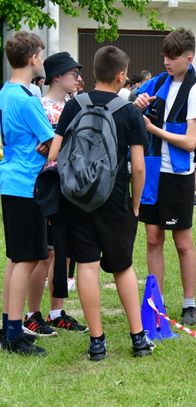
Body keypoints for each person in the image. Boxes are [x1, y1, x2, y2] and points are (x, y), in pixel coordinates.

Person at [47, 45, 153, 361]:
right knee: (122, 267)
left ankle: (97, 341)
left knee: (88, 266)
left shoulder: (73, 105)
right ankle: (137, 338)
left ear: (93, 73)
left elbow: (54, 154)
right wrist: (135, 205)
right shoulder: (130, 112)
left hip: (77, 199)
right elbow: (139, 166)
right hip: (116, 199)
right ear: (122, 75)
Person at [134, 28, 196, 325]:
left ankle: (189, 303)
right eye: (164, 55)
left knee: (182, 241)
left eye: (173, 57)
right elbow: (134, 99)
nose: (167, 61)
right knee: (153, 237)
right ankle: (156, 302)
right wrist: (138, 102)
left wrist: (154, 130)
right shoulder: (160, 81)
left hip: (178, 175)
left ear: (189, 58)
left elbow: (190, 142)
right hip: (152, 171)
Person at [24, 51, 88, 336]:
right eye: (73, 73)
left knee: (63, 251)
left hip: (71, 187)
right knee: (44, 254)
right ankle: (32, 312)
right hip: (48, 186)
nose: (78, 78)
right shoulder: (39, 106)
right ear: (57, 77)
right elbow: (37, 147)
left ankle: (57, 311)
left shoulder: (74, 106)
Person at [0, 31, 53, 356]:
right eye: (41, 55)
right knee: (27, 258)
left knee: (16, 258)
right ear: (33, 58)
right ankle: (13, 333)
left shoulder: (5, 92)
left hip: (11, 181)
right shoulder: (26, 97)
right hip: (27, 183)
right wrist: (49, 145)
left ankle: (10, 323)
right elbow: (53, 141)